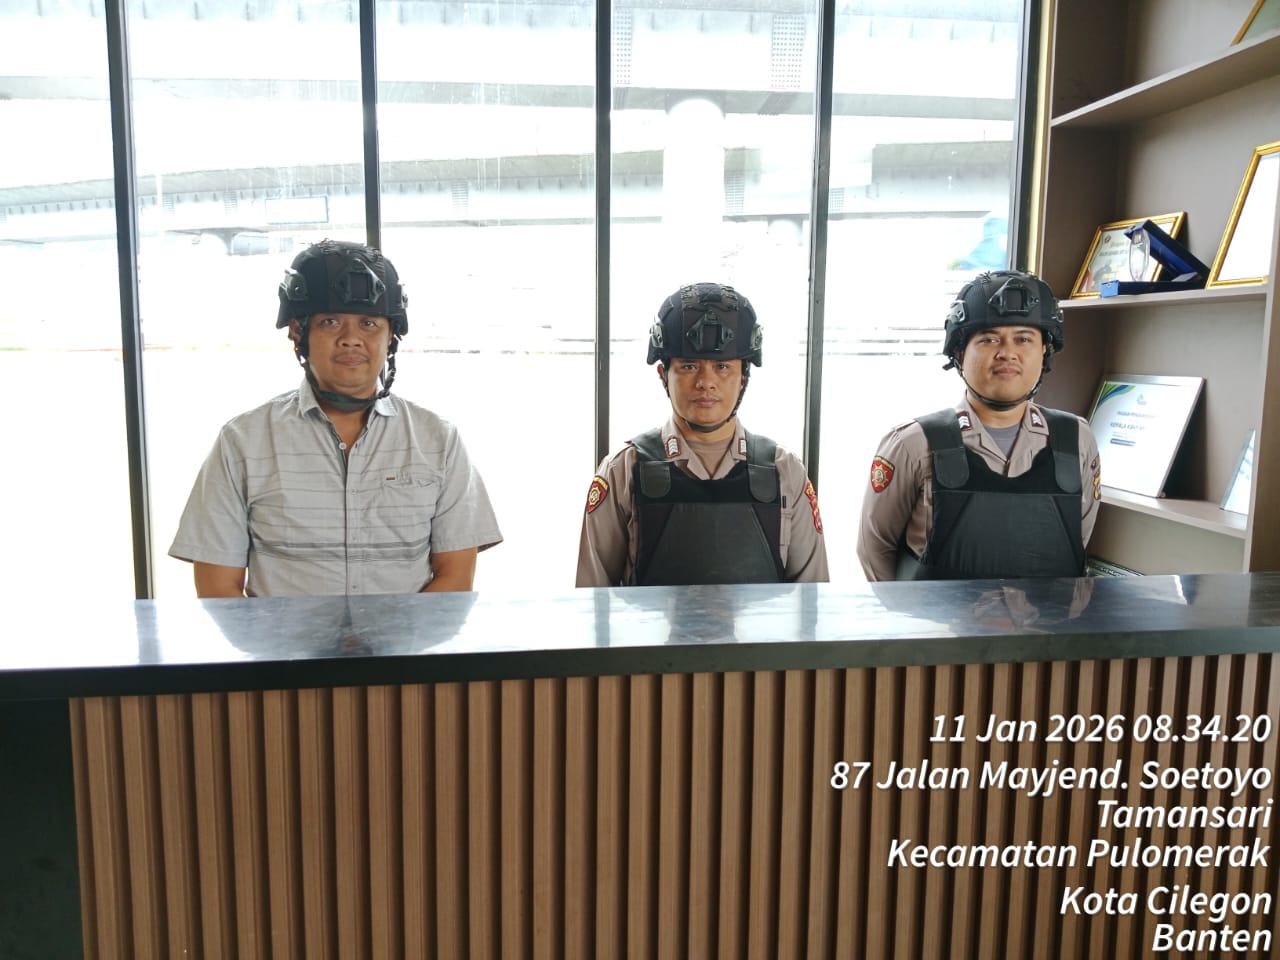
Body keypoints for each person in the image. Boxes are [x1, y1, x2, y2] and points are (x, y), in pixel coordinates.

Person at [170, 239, 502, 597]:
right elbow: (218, 588)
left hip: (408, 636)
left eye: (369, 323)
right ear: (298, 333)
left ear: (391, 337)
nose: (351, 339)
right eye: (330, 322)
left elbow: (455, 580)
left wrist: (399, 636)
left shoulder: (439, 440)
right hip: (282, 637)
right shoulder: (242, 442)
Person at [576, 282, 828, 586]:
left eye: (722, 367)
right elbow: (593, 599)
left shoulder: (785, 472)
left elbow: (811, 600)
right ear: (663, 374)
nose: (706, 382)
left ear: (743, 377)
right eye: (689, 366)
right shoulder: (623, 471)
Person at [857, 268, 1101, 581]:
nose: (1007, 353)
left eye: (1023, 339)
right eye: (989, 339)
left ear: (1044, 350)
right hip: (935, 616)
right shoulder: (914, 443)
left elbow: (1076, 541)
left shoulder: (1075, 438)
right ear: (960, 352)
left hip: (1051, 616)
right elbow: (875, 549)